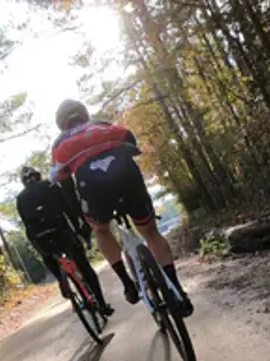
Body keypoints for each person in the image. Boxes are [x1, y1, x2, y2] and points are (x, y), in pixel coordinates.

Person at [49, 99, 193, 317]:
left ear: (62, 124)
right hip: (127, 175)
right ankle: (176, 289)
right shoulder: (102, 124)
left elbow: (67, 188)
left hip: (93, 187)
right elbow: (131, 142)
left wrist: (83, 220)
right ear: (85, 115)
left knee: (102, 230)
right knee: (150, 232)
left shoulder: (60, 144)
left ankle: (127, 284)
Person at [15, 165, 113, 315]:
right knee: (84, 267)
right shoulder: (50, 185)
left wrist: (39, 247)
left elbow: (27, 224)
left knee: (48, 256)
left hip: (41, 238)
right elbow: (68, 210)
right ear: (39, 176)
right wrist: (78, 230)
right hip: (61, 231)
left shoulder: (20, 199)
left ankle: (60, 279)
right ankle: (102, 304)